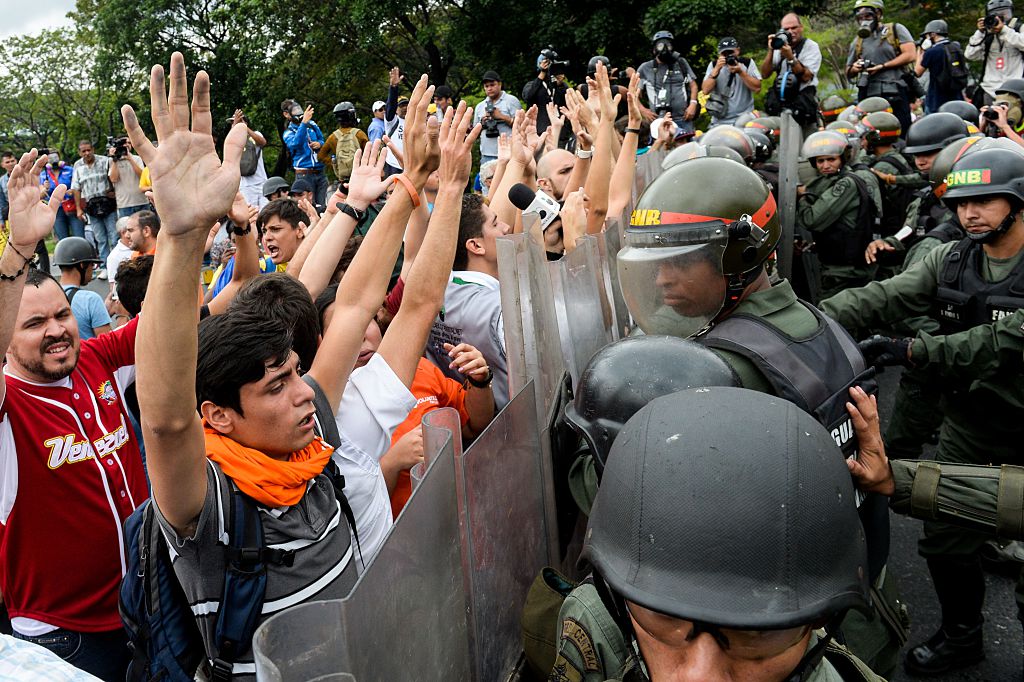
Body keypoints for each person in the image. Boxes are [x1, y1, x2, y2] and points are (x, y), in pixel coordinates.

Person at [123, 51, 480, 678]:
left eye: (296, 372)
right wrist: (181, 237)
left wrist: (422, 186)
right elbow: (167, 422)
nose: (304, 395)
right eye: (276, 386)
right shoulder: (209, 507)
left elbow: (371, 306)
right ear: (220, 417)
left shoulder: (316, 444)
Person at [618, 156, 903, 675]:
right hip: (846, 576)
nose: (661, 279)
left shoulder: (719, 369)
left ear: (741, 257)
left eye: (682, 261)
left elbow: (652, 510)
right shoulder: (817, 324)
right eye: (656, 262)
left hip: (766, 622)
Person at [820, 146, 1024, 676]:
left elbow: (996, 343)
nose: (969, 213)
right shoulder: (951, 257)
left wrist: (911, 350)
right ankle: (962, 637)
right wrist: (805, 321)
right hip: (971, 422)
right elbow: (886, 296)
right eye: (960, 203)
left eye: (984, 201)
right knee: (945, 539)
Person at [555, 387, 881, 682]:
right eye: (665, 618)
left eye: (755, 634)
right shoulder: (596, 621)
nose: (700, 676)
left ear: (818, 622)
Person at [0, 150, 147, 681]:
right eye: (34, 323)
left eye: (63, 313)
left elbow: (188, 320)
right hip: (66, 639)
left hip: (145, 607)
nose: (57, 328)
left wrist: (183, 230)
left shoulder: (98, 359)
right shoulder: (8, 410)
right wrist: (17, 248)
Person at [425, 193, 511, 408]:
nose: (506, 227)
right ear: (475, 246)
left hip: (464, 430)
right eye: (495, 223)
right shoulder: (503, 307)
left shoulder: (428, 296)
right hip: (518, 429)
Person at [797, 130, 882, 298]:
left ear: (842, 158)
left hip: (844, 270)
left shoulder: (845, 184)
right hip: (842, 264)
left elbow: (812, 219)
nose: (825, 165)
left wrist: (802, 197)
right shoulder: (831, 180)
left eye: (831, 159)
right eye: (820, 161)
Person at [846, 0, 916, 136]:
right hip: (869, 93)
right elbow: (848, 71)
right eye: (860, 17)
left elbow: (910, 54)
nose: (864, 20)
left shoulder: (894, 30)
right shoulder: (858, 41)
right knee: (870, 132)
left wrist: (883, 66)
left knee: (901, 129)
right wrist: (855, 68)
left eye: (868, 16)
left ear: (878, 14)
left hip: (895, 90)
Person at [637, 30, 699, 137]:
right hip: (658, 120)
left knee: (688, 150)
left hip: (683, 118)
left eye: (668, 45)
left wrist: (693, 104)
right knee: (661, 150)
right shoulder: (645, 68)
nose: (665, 48)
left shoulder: (681, 63)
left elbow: (693, 85)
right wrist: (643, 110)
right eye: (660, 45)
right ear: (654, 49)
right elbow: (633, 93)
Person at [965, 0, 1024, 104]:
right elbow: (970, 55)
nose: (1001, 18)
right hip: (990, 90)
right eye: (995, 14)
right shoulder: (987, 35)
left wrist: (1004, 30)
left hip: (1015, 90)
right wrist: (980, 32)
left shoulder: (1019, 28)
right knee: (989, 119)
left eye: (1005, 14)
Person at [53, 237, 111, 340]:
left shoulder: (48, 295)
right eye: (92, 265)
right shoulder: (91, 299)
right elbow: (108, 345)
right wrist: (122, 315)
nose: (92, 269)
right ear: (82, 265)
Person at [71, 140, 118, 262]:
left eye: (89, 150)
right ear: (79, 153)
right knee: (100, 238)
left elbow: (113, 177)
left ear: (93, 149)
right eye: (83, 151)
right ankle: (104, 264)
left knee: (114, 235)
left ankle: (117, 262)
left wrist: (114, 191)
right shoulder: (77, 166)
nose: (87, 153)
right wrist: (78, 208)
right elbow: (76, 188)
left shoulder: (104, 160)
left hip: (108, 203)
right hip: (91, 206)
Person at [701, 37, 761, 127]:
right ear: (719, 54)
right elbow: (705, 90)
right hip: (720, 121)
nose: (728, 56)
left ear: (738, 50)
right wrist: (716, 70)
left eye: (731, 52)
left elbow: (757, 88)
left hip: (745, 119)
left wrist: (741, 72)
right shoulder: (713, 65)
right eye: (724, 53)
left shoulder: (747, 63)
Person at [281, 98, 328, 208]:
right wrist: (303, 124)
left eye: (299, 109)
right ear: (286, 114)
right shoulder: (288, 132)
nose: (299, 113)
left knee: (322, 207)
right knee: (306, 206)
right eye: (295, 111)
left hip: (320, 172)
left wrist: (319, 144)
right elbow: (295, 144)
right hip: (304, 174)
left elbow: (322, 140)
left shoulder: (312, 124)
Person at [916, 20, 967, 112]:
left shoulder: (932, 52)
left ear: (933, 35)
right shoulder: (956, 47)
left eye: (926, 36)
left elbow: (917, 72)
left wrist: (922, 50)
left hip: (936, 99)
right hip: (957, 97)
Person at [474, 70, 521, 165]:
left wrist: (502, 117)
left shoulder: (511, 101)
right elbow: (474, 133)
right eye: (486, 86)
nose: (489, 88)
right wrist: (483, 122)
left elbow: (521, 127)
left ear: (500, 84)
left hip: (509, 152)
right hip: (486, 155)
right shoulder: (480, 106)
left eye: (492, 85)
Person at [318, 101, 369, 185]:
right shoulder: (359, 134)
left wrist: (335, 164)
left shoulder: (333, 137)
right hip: (359, 177)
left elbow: (321, 156)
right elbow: (369, 154)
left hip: (342, 180)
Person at [39, 150, 84, 243]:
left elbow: (78, 187)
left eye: (55, 157)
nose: (53, 160)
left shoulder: (70, 170)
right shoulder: (43, 175)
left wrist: (72, 190)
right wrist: (45, 189)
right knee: (63, 240)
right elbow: (40, 195)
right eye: (50, 158)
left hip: (72, 206)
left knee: (79, 237)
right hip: (56, 210)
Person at [522, 47, 569, 134]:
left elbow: (565, 102)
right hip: (539, 131)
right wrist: (542, 72)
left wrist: (559, 85)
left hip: (560, 131)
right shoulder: (531, 85)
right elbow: (528, 97)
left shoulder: (560, 86)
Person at [233, 109, 269, 209]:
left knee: (265, 213)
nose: (234, 124)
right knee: (251, 215)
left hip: (261, 182)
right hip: (245, 185)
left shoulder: (255, 134)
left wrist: (245, 128)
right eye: (233, 122)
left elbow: (262, 142)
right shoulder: (233, 139)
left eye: (236, 121)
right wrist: (235, 127)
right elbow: (230, 146)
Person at [106, 137, 148, 219]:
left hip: (141, 201)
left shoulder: (137, 158)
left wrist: (130, 159)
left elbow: (143, 176)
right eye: (124, 143)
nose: (127, 145)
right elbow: (113, 179)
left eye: (129, 143)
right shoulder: (112, 161)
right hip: (125, 204)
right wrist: (115, 160)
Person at [383, 67, 408, 175]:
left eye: (407, 105)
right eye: (401, 105)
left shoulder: (414, 122)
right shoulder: (391, 121)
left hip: (409, 165)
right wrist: (393, 87)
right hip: (393, 165)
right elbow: (391, 106)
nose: (404, 108)